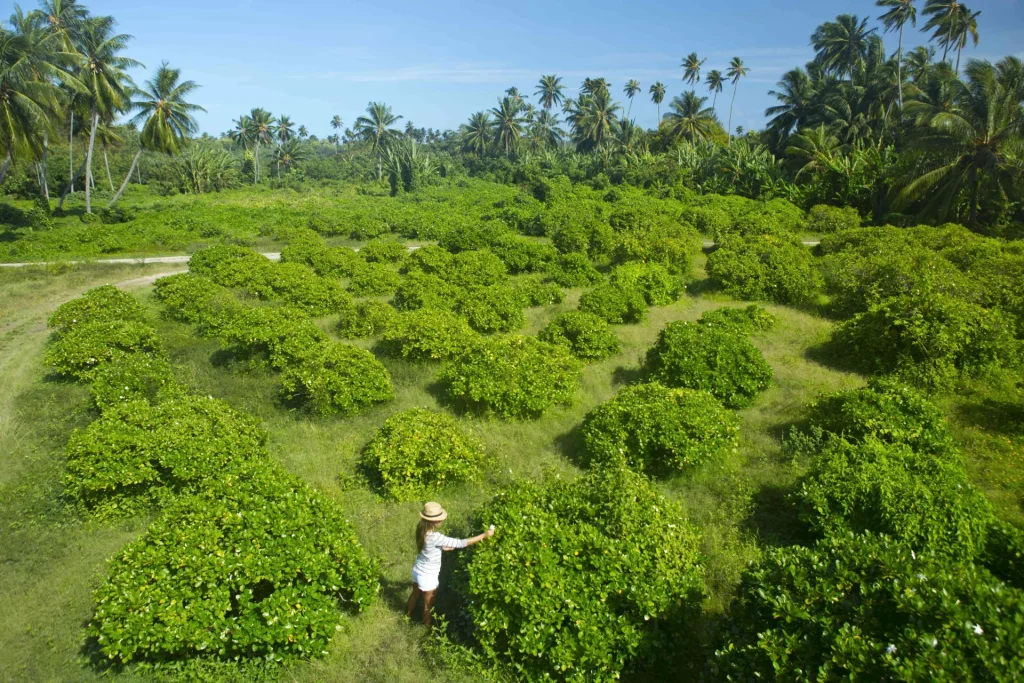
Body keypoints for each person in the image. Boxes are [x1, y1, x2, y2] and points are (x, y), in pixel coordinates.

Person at [407, 501, 494, 627]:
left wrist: (441, 548)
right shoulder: (436, 536)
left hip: (417, 570)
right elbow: (460, 543)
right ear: (433, 521)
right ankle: (427, 626)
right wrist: (485, 535)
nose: (442, 520)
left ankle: (408, 615)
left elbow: (428, 548)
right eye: (439, 518)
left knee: (415, 594)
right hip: (428, 575)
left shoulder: (421, 529)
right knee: (428, 605)